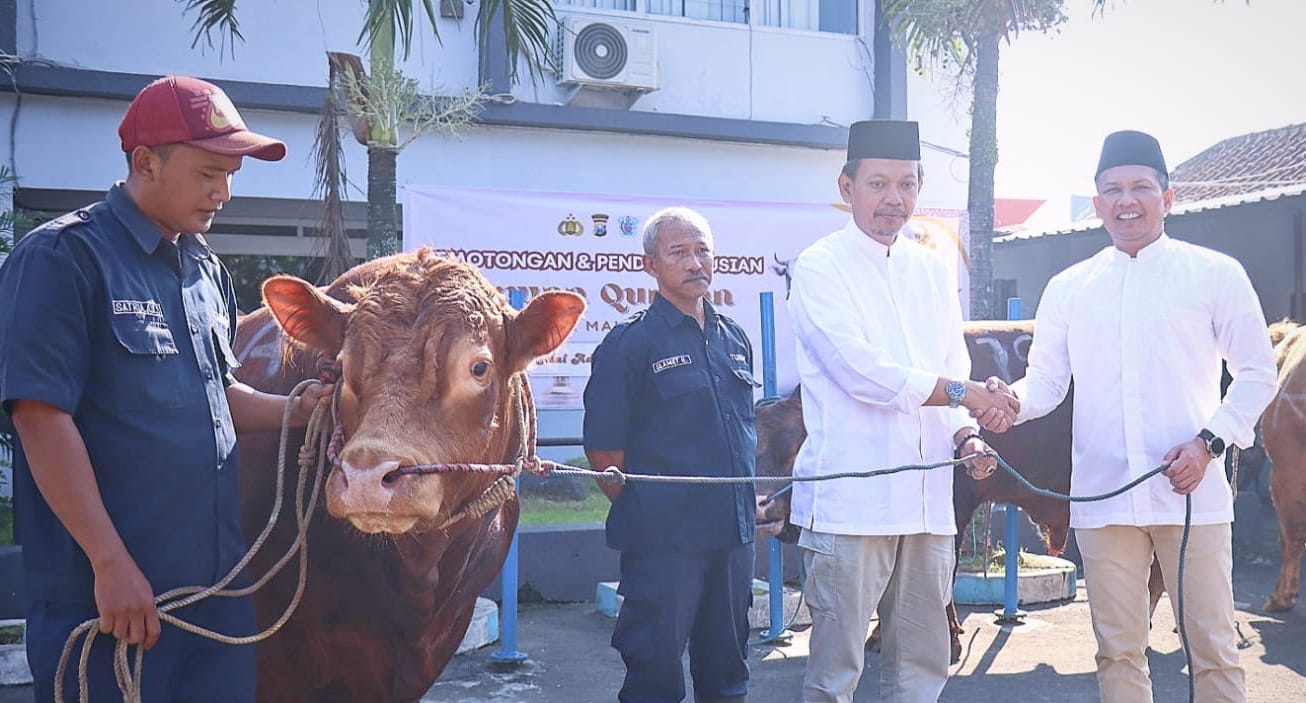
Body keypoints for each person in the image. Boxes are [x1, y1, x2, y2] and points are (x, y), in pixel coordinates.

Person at [0, 75, 332, 703]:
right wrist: (109, 563)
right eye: (209, 172)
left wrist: (298, 408)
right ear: (146, 163)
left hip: (217, 593)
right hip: (112, 598)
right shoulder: (62, 258)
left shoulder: (204, 267)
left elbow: (216, 398)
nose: (224, 192)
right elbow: (41, 417)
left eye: (231, 175)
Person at [999, 130, 1278, 703]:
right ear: (1096, 203)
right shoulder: (1070, 288)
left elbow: (1257, 373)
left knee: (1214, 652)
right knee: (1117, 652)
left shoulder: (1214, 274)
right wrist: (1011, 401)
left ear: (1168, 198)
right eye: (1113, 190)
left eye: (1141, 188)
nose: (1128, 201)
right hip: (1104, 499)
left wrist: (1209, 443)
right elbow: (1047, 383)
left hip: (1193, 498)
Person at [785, 119, 1017, 703]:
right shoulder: (819, 266)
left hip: (929, 504)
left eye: (908, 184)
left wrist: (967, 436)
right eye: (879, 183)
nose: (895, 199)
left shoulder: (931, 269)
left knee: (922, 666)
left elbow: (952, 365)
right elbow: (862, 373)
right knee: (836, 675)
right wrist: (968, 397)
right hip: (852, 505)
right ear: (847, 187)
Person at [583, 206, 758, 703]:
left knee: (728, 675)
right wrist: (650, 513)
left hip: (732, 538)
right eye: (678, 252)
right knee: (654, 677)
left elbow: (741, 433)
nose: (694, 261)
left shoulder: (734, 338)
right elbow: (604, 452)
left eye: (702, 250)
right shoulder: (630, 343)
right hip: (665, 545)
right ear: (651, 266)